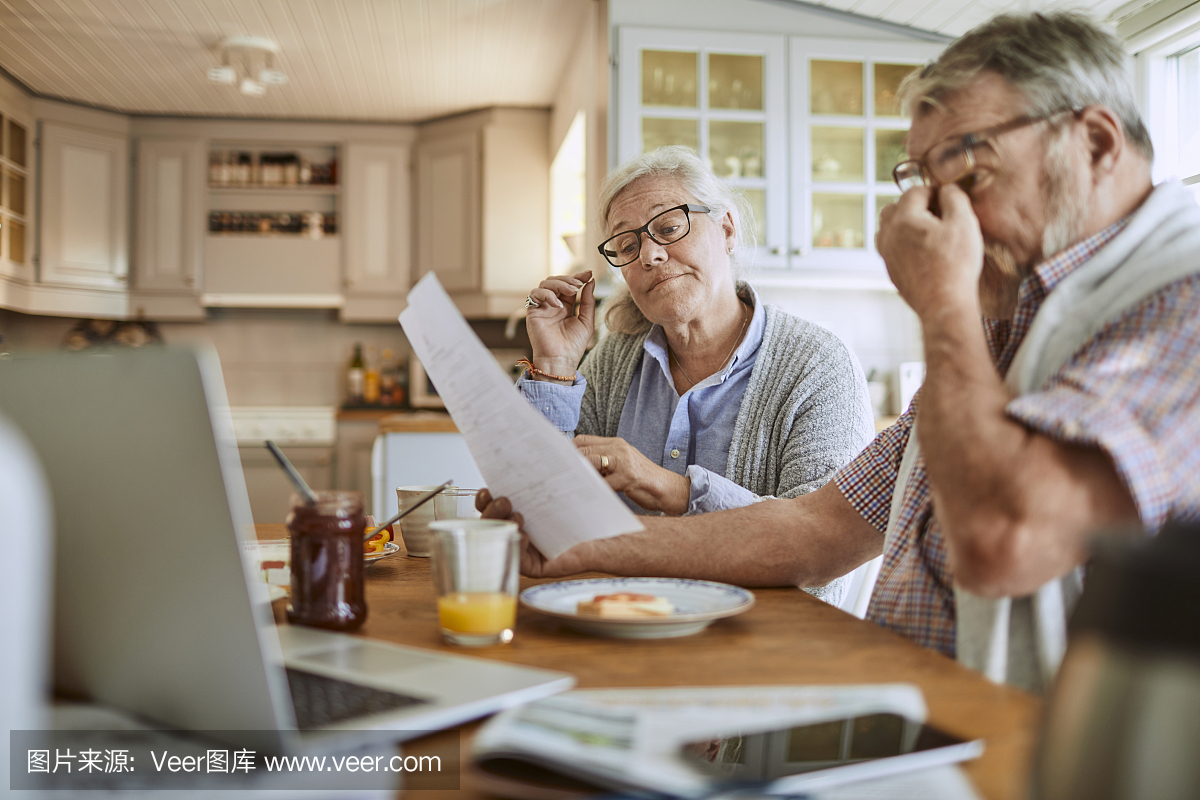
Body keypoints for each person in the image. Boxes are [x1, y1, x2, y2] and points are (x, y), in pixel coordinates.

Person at [485, 12, 1200, 691]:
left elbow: (1001, 542)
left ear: (1098, 146)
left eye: (968, 175)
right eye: (922, 182)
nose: (929, 215)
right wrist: (575, 549)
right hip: (920, 722)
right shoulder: (1010, 324)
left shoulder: (1180, 298)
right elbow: (818, 529)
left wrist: (942, 300)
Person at [516, 146, 875, 606]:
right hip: (618, 625)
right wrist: (556, 364)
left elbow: (823, 561)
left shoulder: (818, 366)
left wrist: (671, 488)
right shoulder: (612, 361)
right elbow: (541, 510)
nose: (649, 255)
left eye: (668, 227)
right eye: (627, 246)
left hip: (761, 646)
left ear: (726, 229)